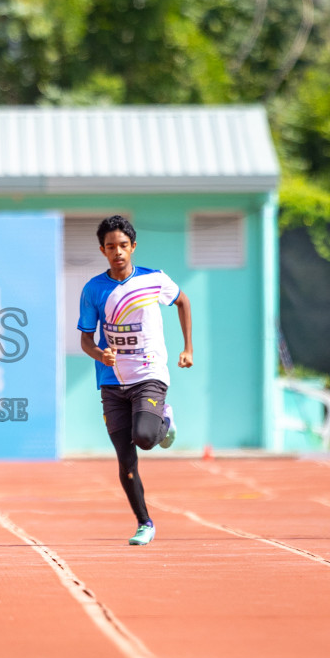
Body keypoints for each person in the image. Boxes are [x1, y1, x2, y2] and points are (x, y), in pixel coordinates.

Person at [77, 215, 192, 547]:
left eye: (123, 246)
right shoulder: (94, 290)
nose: (118, 253)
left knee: (143, 437)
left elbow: (182, 301)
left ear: (133, 247)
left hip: (149, 374)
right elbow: (86, 339)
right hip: (111, 382)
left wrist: (187, 348)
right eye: (110, 247)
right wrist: (101, 355)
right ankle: (145, 523)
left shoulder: (154, 280)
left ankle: (163, 417)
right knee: (125, 458)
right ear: (102, 250)